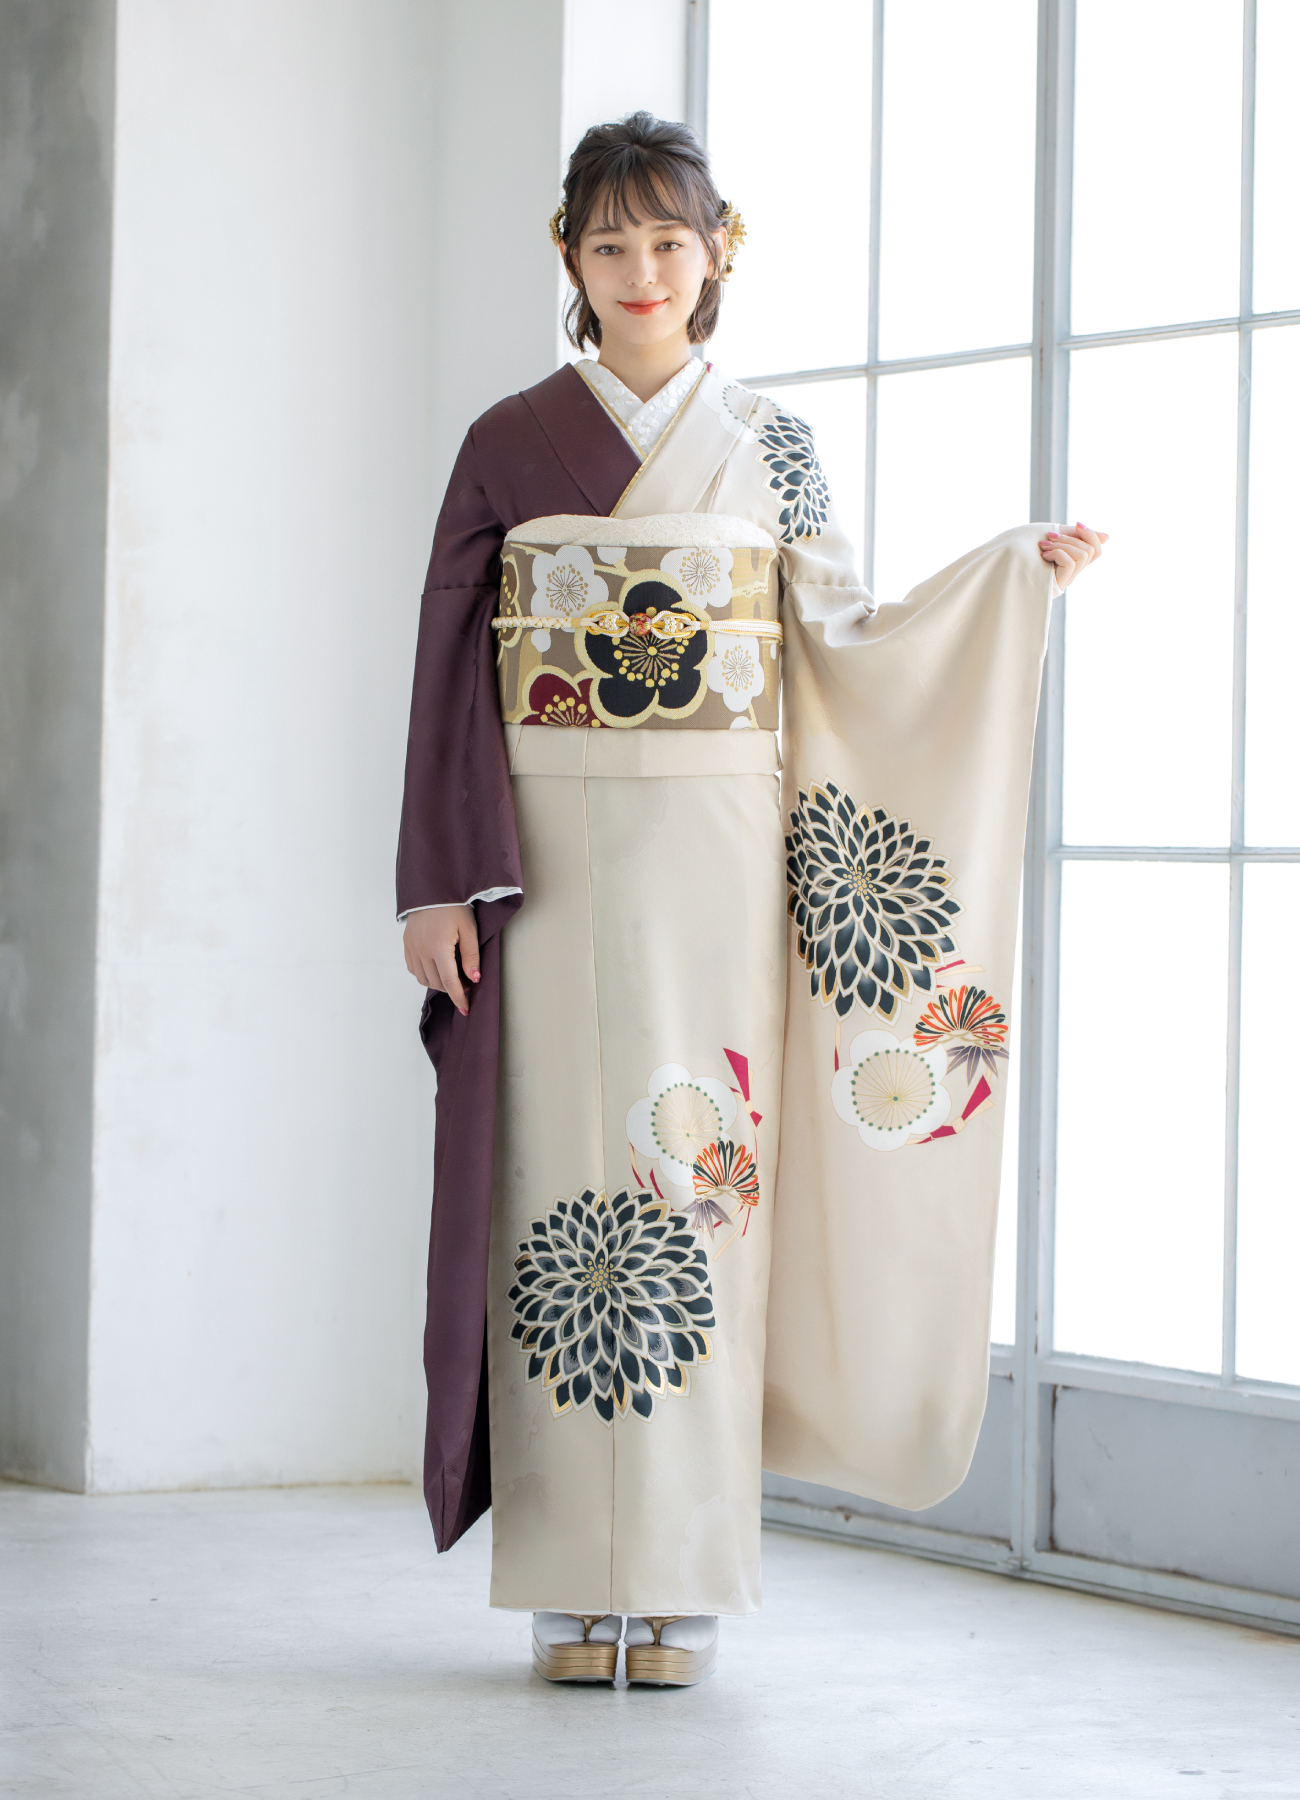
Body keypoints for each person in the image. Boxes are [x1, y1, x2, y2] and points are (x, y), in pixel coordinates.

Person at [397, 111, 1105, 1688]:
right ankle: (570, 1581)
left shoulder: (770, 441)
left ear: (722, 248)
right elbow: (446, 671)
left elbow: (842, 636)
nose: (642, 271)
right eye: (610, 243)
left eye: (670, 239)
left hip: (717, 840)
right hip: (541, 847)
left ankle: (686, 1578)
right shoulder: (508, 440)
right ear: (569, 257)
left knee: (697, 1178)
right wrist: (434, 882)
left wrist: (1009, 577)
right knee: (555, 1183)